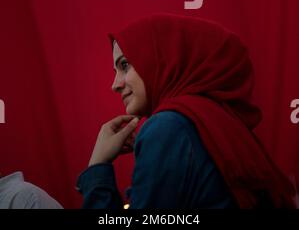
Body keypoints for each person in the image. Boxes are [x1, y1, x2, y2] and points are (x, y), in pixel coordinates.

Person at [76, 13, 295, 209]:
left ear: (162, 58)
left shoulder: (167, 129)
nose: (115, 84)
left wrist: (98, 167)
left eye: (124, 65)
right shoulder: (214, 121)